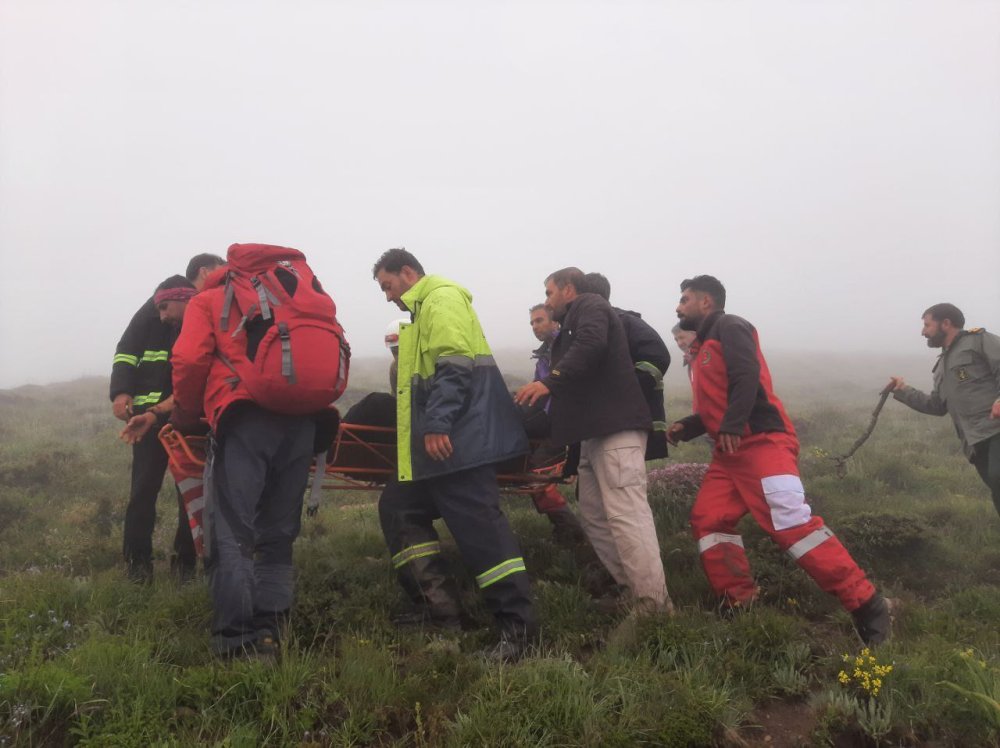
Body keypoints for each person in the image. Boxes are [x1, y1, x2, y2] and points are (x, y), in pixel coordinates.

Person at [666, 275, 891, 645]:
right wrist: (687, 427)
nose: (678, 307)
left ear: (706, 301)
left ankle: (866, 603)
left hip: (763, 443)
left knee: (791, 522)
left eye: (685, 299)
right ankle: (739, 601)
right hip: (730, 453)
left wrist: (734, 424)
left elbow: (747, 375)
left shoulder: (730, 326)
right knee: (709, 519)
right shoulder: (701, 348)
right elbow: (717, 403)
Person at [171, 242, 342, 658]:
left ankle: (237, 638)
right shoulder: (303, 295)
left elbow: (189, 360)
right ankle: (271, 626)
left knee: (233, 530)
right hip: (304, 420)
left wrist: (187, 414)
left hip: (245, 420)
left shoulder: (209, 300)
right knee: (279, 531)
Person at [373, 247, 537, 661]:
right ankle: (440, 610)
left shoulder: (441, 298)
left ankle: (518, 632)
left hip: (460, 441)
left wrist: (438, 423)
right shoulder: (421, 310)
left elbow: (455, 364)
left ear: (407, 273)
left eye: (388, 286)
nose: (388, 296)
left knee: (482, 532)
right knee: (398, 507)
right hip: (442, 447)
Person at [515, 267, 673, 618]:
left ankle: (654, 605)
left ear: (569, 289)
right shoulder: (571, 325)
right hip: (593, 433)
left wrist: (550, 381)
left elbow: (592, 346)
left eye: (550, 292)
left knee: (626, 514)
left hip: (615, 428)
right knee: (595, 514)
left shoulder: (590, 305)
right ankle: (633, 592)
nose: (546, 301)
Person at [110, 254, 223, 581]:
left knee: (189, 494)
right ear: (204, 272)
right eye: (220, 273)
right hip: (150, 422)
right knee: (143, 491)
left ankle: (184, 566)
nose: (162, 316)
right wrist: (120, 392)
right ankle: (137, 566)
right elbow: (126, 350)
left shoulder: (210, 308)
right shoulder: (162, 302)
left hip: (189, 420)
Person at [887, 303, 1000, 518]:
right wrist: (903, 390)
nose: (923, 332)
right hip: (975, 441)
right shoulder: (941, 367)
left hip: (996, 430)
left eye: (927, 325)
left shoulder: (979, 341)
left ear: (946, 323)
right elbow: (937, 406)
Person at [582, 272, 671, 460]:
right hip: (596, 428)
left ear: (592, 297)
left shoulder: (624, 322)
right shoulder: (591, 328)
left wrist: (616, 393)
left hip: (624, 428)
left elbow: (658, 358)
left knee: (620, 479)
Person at [521, 304, 588, 543]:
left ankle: (574, 530)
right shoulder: (543, 355)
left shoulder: (569, 348)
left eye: (539, 320)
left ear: (555, 322)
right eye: (532, 323)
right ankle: (567, 529)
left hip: (566, 424)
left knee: (537, 474)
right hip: (546, 422)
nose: (534, 326)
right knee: (528, 472)